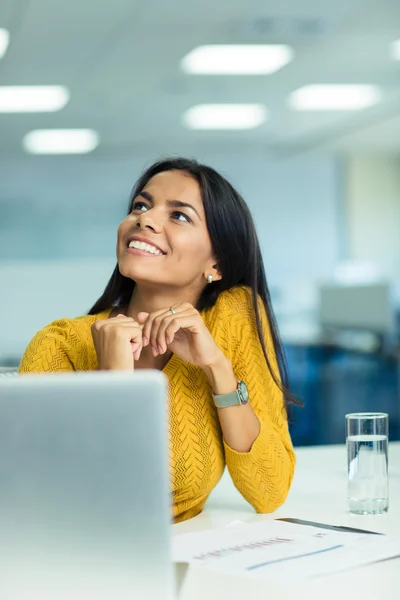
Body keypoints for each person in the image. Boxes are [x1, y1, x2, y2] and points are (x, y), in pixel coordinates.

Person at [19, 157, 296, 523]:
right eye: (140, 205)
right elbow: (42, 500)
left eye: (179, 215)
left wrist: (217, 367)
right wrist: (113, 381)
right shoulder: (59, 345)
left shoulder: (233, 315)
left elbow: (269, 491)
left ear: (216, 265)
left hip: (194, 551)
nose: (144, 219)